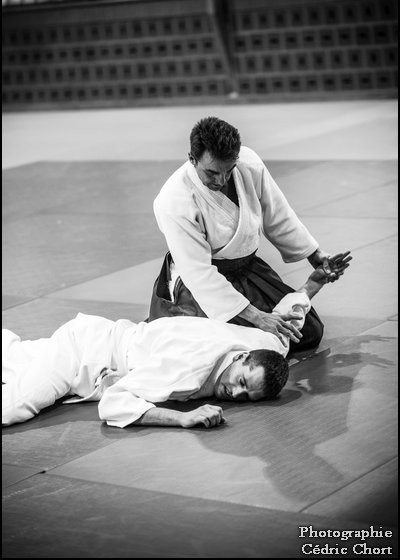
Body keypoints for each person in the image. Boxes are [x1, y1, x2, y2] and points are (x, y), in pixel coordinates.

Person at [2, 255, 350, 429]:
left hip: (99, 335)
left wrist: (314, 283)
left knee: (15, 358)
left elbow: (287, 318)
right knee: (14, 407)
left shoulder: (263, 346)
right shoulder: (187, 370)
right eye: (242, 382)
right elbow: (113, 403)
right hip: (85, 358)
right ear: (241, 358)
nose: (236, 393)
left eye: (247, 396)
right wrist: (182, 419)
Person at [148, 116, 352, 352]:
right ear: (192, 158)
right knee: (235, 349)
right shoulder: (174, 200)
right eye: (212, 173)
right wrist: (258, 317)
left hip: (247, 270)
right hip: (200, 287)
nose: (221, 180)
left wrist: (314, 254)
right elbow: (198, 273)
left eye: (229, 170)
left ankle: (305, 289)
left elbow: (277, 212)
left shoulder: (248, 163)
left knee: (306, 332)